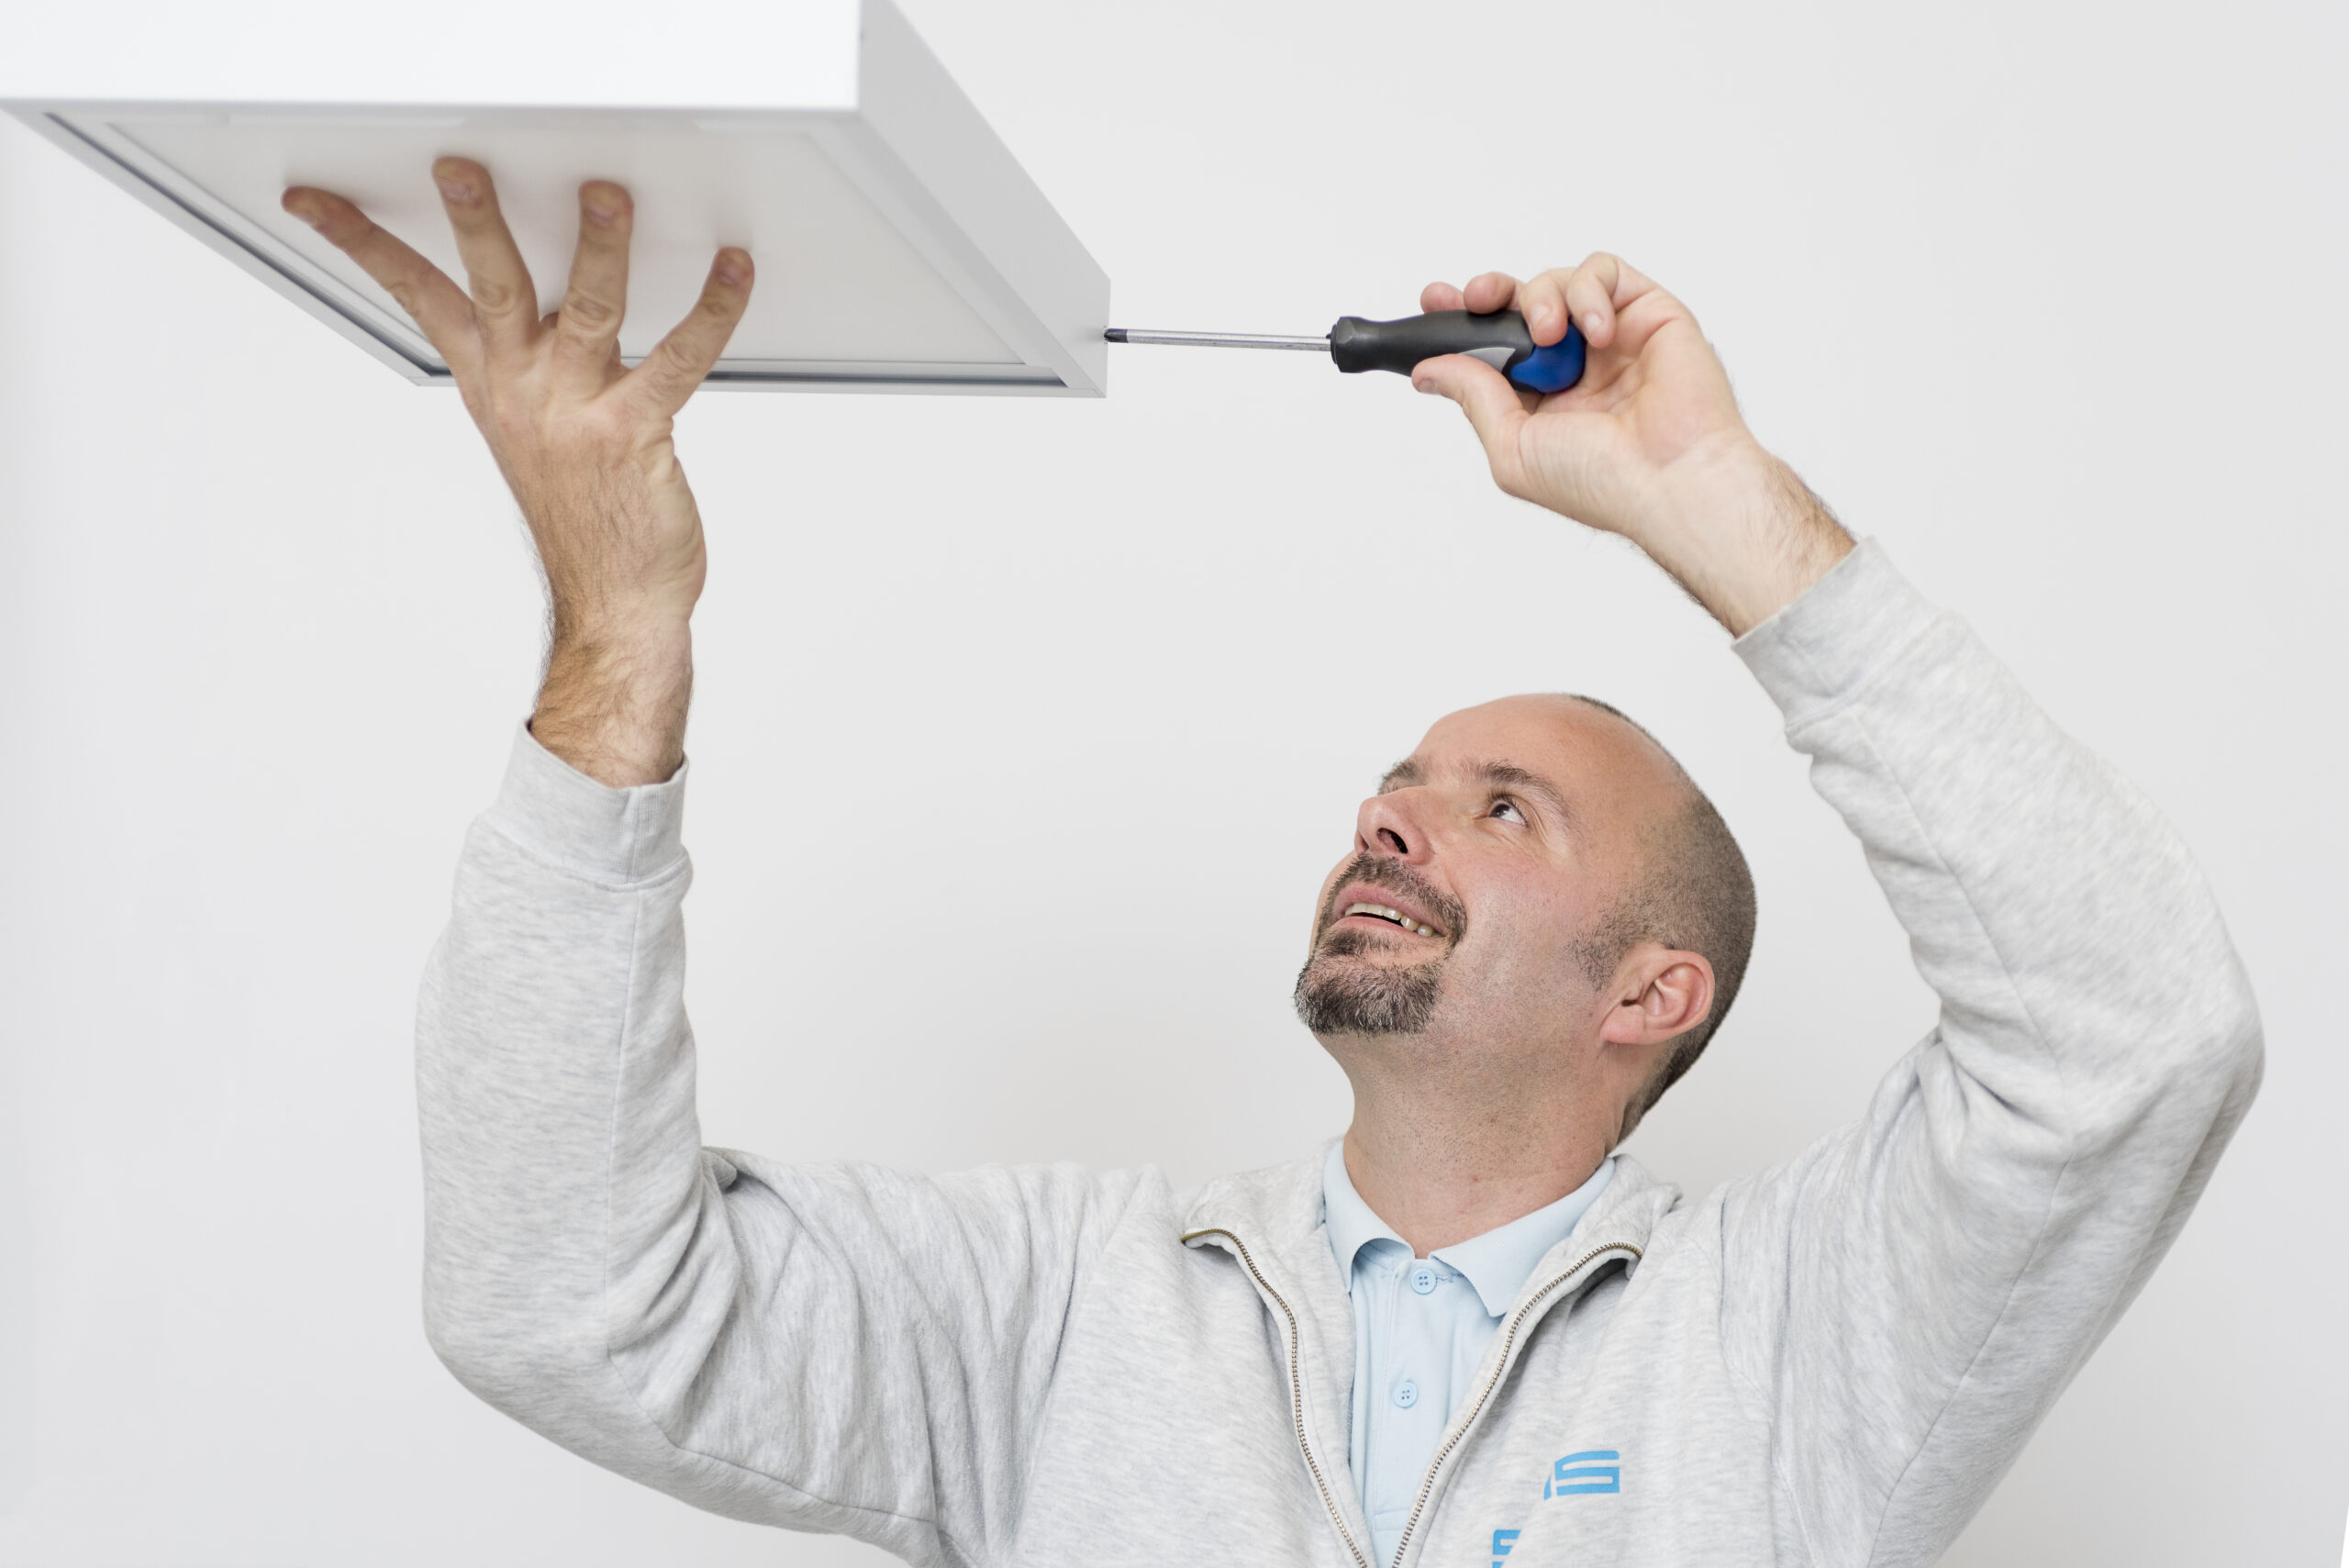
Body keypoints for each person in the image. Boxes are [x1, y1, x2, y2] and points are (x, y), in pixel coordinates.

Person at [282, 161, 2262, 1567]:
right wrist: (619, 633)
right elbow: (561, 1299)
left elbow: (2137, 1034)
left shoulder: (1792, 1337)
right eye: (1396, 786)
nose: (1387, 819)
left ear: (1650, 993)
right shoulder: (1059, 1308)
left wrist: (1712, 504)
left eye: (1504, 808)